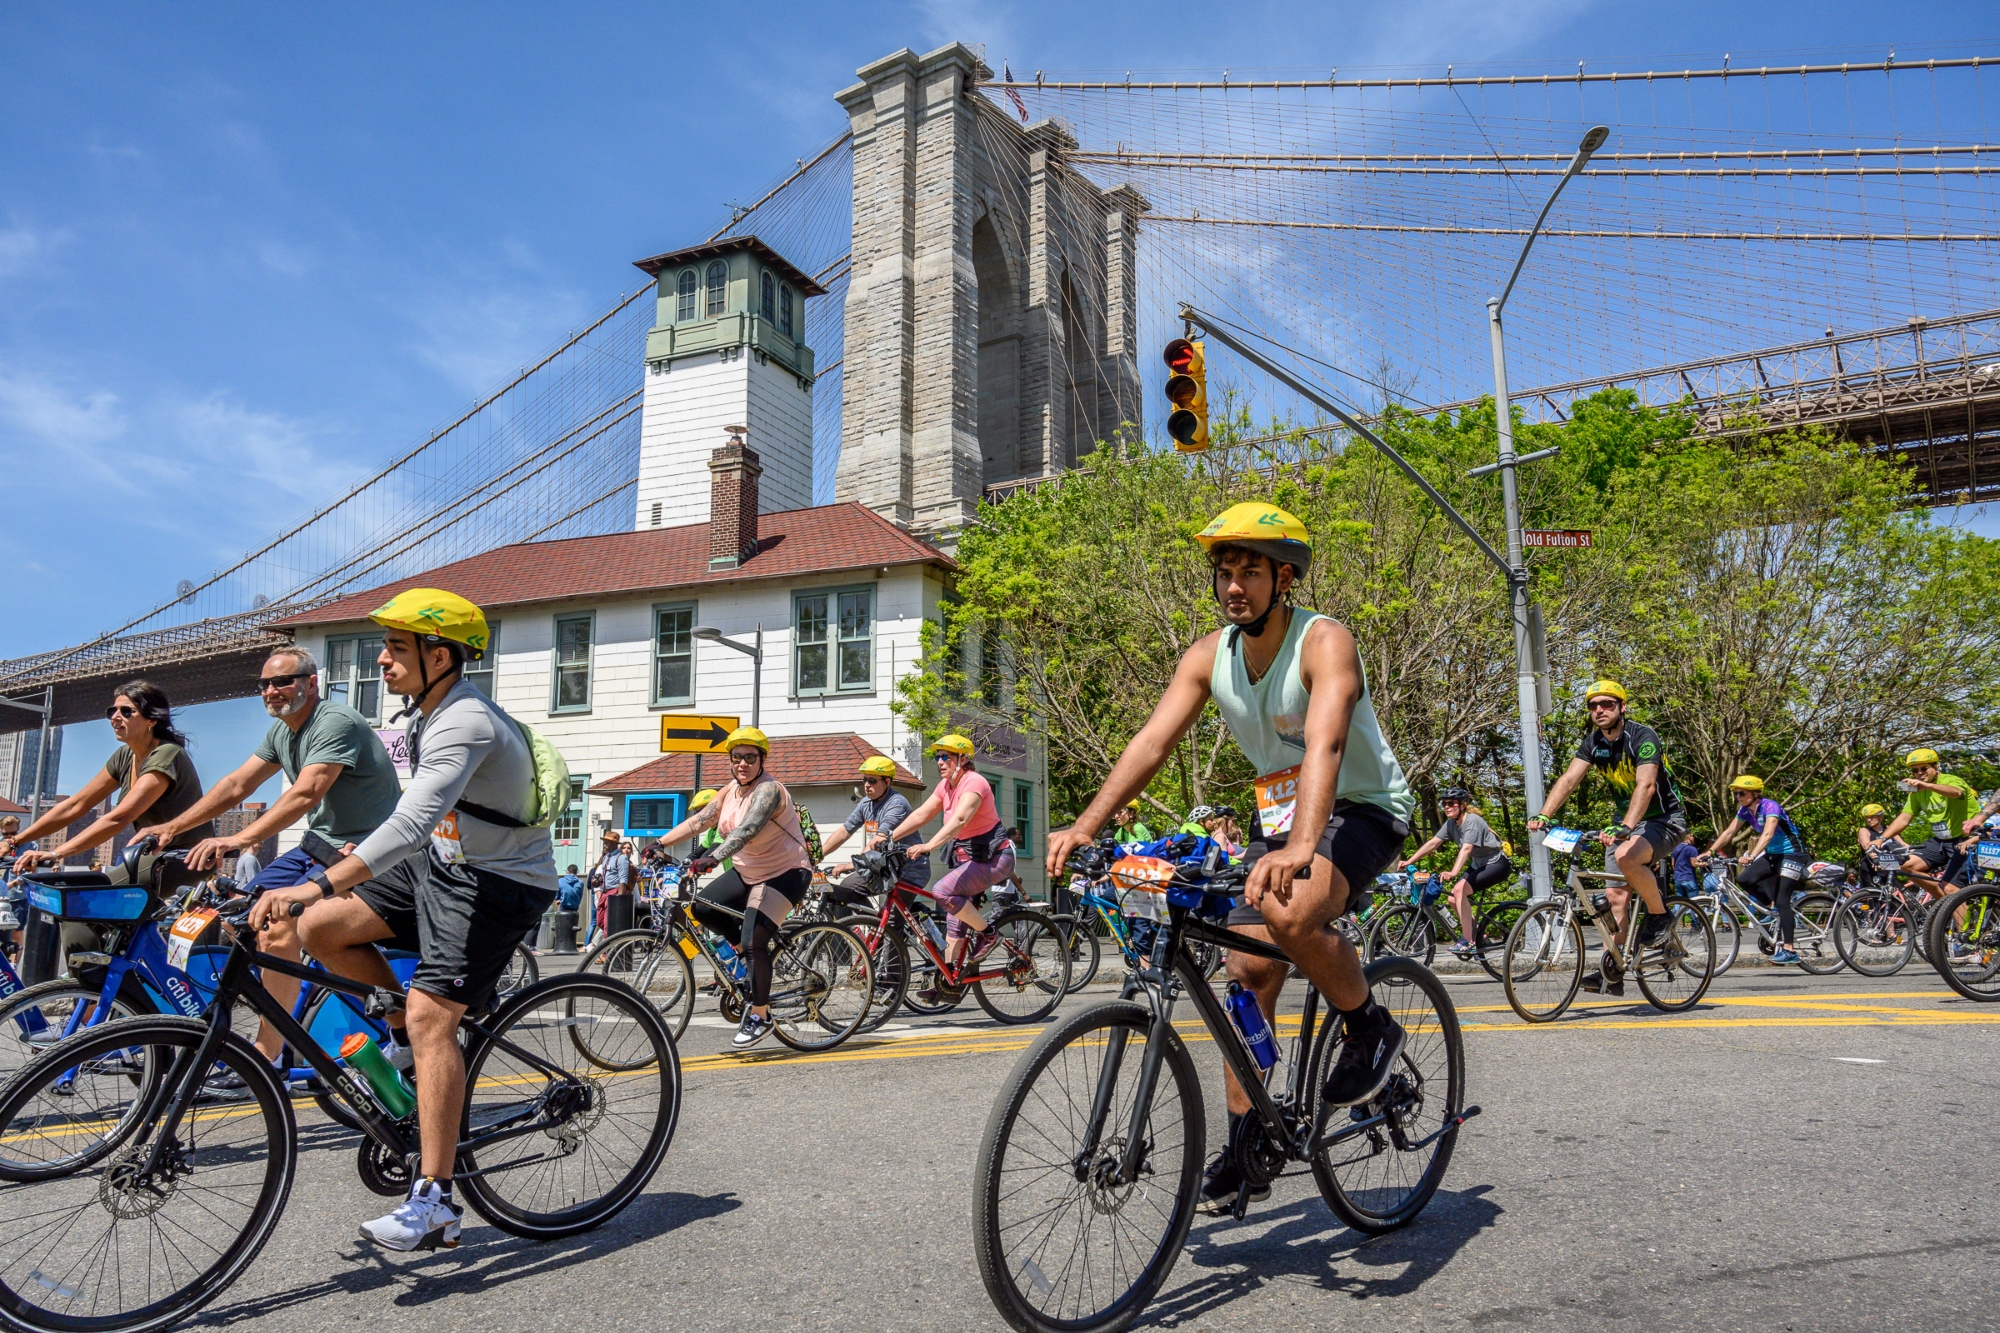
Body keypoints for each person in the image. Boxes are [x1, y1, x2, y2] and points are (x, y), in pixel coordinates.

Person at [1044, 501, 1415, 1218]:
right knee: (1245, 964)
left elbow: (1328, 744)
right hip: (1284, 818)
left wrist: (1305, 846)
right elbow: (1152, 743)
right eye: (1224, 573)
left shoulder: (1324, 641)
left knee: (1291, 908)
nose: (1234, 586)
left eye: (1250, 571)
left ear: (1285, 579)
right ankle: (1251, 1141)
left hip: (1362, 807)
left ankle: (1370, 1024)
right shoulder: (1207, 656)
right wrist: (1087, 825)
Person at [247, 588, 557, 1253]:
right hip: (444, 865)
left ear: (438, 654)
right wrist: (332, 884)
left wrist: (316, 880)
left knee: (432, 1016)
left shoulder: (464, 720)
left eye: (395, 647)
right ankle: (401, 1039)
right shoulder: (423, 712)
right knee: (321, 929)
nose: (382, 659)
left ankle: (437, 1197)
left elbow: (414, 821)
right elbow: (419, 821)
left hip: (500, 883)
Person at [145, 645, 402, 1065]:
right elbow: (235, 786)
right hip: (316, 846)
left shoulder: (333, 721)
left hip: (361, 851)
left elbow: (307, 792)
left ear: (311, 683)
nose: (271, 690)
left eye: (282, 681)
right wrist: (172, 828)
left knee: (277, 926)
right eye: (264, 684)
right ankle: (286, 995)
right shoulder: (281, 731)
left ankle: (268, 1056)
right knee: (235, 915)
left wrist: (234, 840)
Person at [651, 726, 813, 1050]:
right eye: (736, 757)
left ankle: (761, 1015)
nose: (742, 763)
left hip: (785, 872)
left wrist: (710, 860)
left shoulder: (770, 791)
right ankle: (746, 958)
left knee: (755, 943)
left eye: (750, 758)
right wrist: (659, 842)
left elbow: (746, 832)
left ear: (761, 759)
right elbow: (701, 821)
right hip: (748, 870)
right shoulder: (729, 791)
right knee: (701, 907)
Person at [1528, 679, 1684, 997]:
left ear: (1622, 707)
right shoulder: (1594, 743)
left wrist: (1626, 827)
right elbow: (1570, 778)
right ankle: (1613, 970)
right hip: (1625, 825)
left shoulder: (1642, 737)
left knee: (1627, 857)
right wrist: (1544, 814)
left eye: (1607, 704)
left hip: (1664, 819)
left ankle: (1660, 915)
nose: (1599, 710)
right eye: (1593, 706)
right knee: (1615, 899)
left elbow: (1646, 787)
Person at [6, 681, 215, 874]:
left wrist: (55, 854)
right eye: (112, 710)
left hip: (190, 859)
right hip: (153, 856)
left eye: (126, 711)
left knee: (101, 900)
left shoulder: (167, 754)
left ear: (151, 719)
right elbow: (76, 805)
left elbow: (119, 818)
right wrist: (14, 841)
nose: (115, 716)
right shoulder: (125, 756)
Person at [881, 735, 1017, 1003]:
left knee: (942, 891)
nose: (940, 762)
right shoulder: (945, 786)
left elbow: (961, 818)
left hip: (995, 858)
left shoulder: (974, 782)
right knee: (954, 925)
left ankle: (989, 934)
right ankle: (951, 985)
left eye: (946, 757)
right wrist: (888, 837)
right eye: (938, 757)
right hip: (968, 860)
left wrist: (929, 845)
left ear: (962, 759)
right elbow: (921, 815)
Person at [1703, 776, 1810, 965]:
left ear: (1755, 793)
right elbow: (1729, 832)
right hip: (1774, 854)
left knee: (1783, 899)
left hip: (1793, 853)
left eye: (1742, 793)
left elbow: (1768, 833)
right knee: (1745, 879)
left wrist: (1752, 855)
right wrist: (1709, 851)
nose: (1738, 796)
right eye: (1736, 793)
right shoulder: (1745, 811)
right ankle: (1771, 906)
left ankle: (1789, 950)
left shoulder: (1770, 806)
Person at [1397, 788, 1512, 960]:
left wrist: (1454, 872)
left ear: (1462, 805)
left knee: (1459, 891)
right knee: (1452, 898)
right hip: (1479, 864)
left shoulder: (1472, 821)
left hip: (1496, 863)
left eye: (1451, 803)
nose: (1447, 807)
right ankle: (1482, 937)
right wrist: (1409, 861)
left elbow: (1467, 849)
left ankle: (1468, 940)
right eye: (1444, 804)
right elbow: (1433, 843)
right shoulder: (1451, 824)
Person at [820, 755, 930, 887]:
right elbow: (844, 831)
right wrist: (817, 856)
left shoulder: (896, 804)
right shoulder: (865, 803)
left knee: (890, 908)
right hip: (884, 868)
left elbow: (878, 841)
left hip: (910, 871)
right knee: (846, 889)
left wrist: (851, 865)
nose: (866, 785)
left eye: (872, 781)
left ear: (887, 782)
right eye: (864, 780)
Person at [1879, 749, 1979, 894]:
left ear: (1935, 767)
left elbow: (1956, 792)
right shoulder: (1916, 792)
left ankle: (1951, 905)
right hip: (1940, 842)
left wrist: (1927, 786)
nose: (1920, 773)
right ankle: (1943, 905)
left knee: (1950, 888)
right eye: (1915, 770)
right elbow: (1904, 818)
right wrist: (1881, 839)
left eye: (1924, 768)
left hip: (1966, 840)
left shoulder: (1950, 780)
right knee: (1906, 865)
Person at [592, 828, 635, 941]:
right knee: (600, 921)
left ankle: (608, 953)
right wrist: (598, 881)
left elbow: (623, 880)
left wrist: (619, 900)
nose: (604, 845)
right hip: (604, 892)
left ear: (614, 844)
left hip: (615, 892)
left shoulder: (621, 858)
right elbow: (604, 875)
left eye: (607, 843)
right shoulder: (606, 857)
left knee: (608, 924)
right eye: (604, 842)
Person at [1855, 803, 1890, 888]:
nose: (1869, 820)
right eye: (1867, 817)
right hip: (1871, 868)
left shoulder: (1889, 829)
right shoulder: (1864, 830)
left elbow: (1903, 845)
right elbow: (1866, 846)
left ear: (1880, 817)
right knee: (1874, 896)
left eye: (1871, 817)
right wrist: (1874, 857)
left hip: (1889, 867)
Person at [1669, 830, 1702, 898]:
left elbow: (1673, 864)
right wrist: (1705, 864)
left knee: (1679, 902)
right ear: (1689, 836)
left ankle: (1674, 909)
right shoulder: (1692, 849)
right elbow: (1694, 864)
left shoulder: (1676, 848)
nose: (1694, 838)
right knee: (1693, 903)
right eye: (1693, 836)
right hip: (1689, 878)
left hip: (1678, 879)